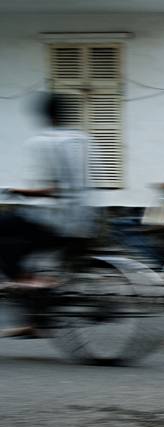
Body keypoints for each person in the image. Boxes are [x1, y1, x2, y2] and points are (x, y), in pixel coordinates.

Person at [0, 93, 95, 336]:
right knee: (18, 244)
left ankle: (37, 284)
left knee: (7, 240)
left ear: (45, 115)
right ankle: (36, 317)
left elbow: (53, 188)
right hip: (86, 220)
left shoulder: (43, 142)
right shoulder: (83, 140)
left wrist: (16, 190)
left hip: (54, 221)